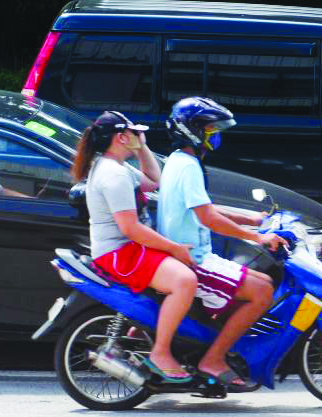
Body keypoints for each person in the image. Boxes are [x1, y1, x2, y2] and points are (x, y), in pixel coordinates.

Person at [157, 97, 287, 391]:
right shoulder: (188, 166)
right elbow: (208, 217)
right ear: (192, 130)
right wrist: (257, 237)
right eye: (210, 128)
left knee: (264, 280)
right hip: (194, 260)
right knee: (263, 293)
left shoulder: (180, 161)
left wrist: (253, 220)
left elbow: (206, 208)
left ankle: (218, 344)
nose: (216, 134)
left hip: (197, 255)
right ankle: (213, 360)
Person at [71, 110, 197, 383]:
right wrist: (174, 248)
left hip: (130, 248)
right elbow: (130, 228)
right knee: (185, 281)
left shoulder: (116, 166)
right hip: (119, 254)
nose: (140, 136)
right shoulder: (112, 174)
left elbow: (155, 180)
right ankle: (160, 353)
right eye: (135, 133)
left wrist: (142, 147)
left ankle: (141, 332)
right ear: (120, 137)